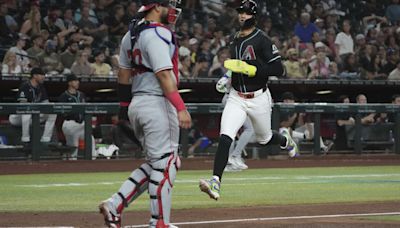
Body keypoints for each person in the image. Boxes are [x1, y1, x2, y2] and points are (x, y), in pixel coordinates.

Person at [98, 1, 192, 227]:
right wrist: (180, 107)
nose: (173, 10)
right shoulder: (158, 33)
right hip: (158, 102)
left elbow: (123, 74)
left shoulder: (130, 34)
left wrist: (124, 107)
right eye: (169, 5)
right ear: (156, 7)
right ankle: (159, 222)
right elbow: (163, 75)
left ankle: (115, 204)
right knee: (167, 162)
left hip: (138, 103)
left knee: (159, 162)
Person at [199, 0, 299, 201]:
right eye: (240, 12)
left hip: (259, 97)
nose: (242, 16)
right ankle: (215, 182)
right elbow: (237, 65)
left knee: (265, 139)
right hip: (236, 97)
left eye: (246, 13)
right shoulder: (234, 38)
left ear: (254, 16)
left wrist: (254, 69)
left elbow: (279, 69)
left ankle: (285, 140)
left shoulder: (262, 39)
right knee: (226, 136)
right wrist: (227, 77)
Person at [8, 67, 56, 144]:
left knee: (52, 113)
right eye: (41, 75)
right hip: (17, 118)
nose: (43, 77)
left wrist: (48, 107)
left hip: (33, 116)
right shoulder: (25, 86)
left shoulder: (41, 87)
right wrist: (35, 108)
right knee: (27, 110)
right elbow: (22, 104)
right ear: (35, 76)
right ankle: (25, 138)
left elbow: (46, 103)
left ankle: (46, 138)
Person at [57, 74, 97, 160]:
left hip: (81, 125)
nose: (77, 83)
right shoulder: (63, 96)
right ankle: (71, 163)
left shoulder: (82, 95)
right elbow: (62, 113)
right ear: (69, 83)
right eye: (75, 81)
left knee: (91, 139)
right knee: (74, 146)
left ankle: (93, 161)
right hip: (70, 124)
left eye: (77, 81)